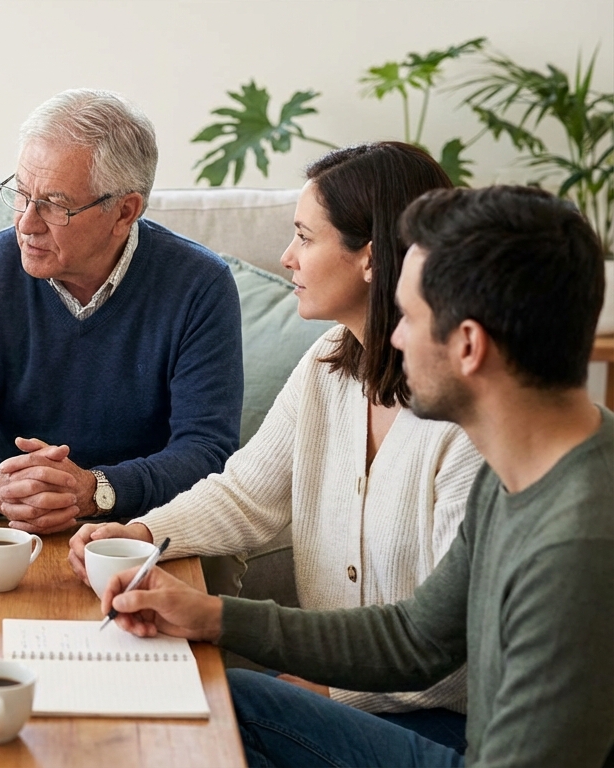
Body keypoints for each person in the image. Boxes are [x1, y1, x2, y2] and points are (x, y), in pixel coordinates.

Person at [99, 186, 614, 767]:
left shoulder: (577, 547)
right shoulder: (522, 465)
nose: (391, 336)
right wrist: (211, 616)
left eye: (411, 318)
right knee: (225, 699)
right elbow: (417, 638)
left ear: (469, 345)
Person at [67, 142, 482, 748]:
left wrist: (331, 690)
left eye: (304, 238)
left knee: (216, 709)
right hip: (340, 691)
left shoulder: (461, 422)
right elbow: (246, 495)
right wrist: (143, 534)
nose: (286, 257)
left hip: (442, 722)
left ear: (370, 257)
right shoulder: (328, 365)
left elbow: (452, 639)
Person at [0, 89, 243, 534]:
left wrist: (96, 490)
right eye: (20, 193)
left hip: (142, 507)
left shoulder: (200, 285)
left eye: (54, 204)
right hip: (11, 497)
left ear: (124, 211)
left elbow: (207, 448)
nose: (26, 223)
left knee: (213, 547)